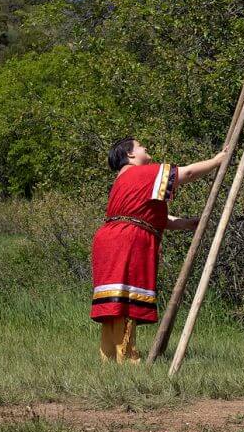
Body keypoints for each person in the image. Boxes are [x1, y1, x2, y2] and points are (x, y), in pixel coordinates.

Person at [91, 138, 227, 363]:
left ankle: (112, 360)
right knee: (124, 303)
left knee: (116, 305)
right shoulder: (142, 173)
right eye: (141, 146)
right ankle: (126, 360)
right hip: (126, 240)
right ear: (130, 155)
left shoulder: (124, 180)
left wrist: (185, 223)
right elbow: (189, 173)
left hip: (113, 239)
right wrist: (216, 161)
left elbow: (149, 216)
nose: (146, 148)